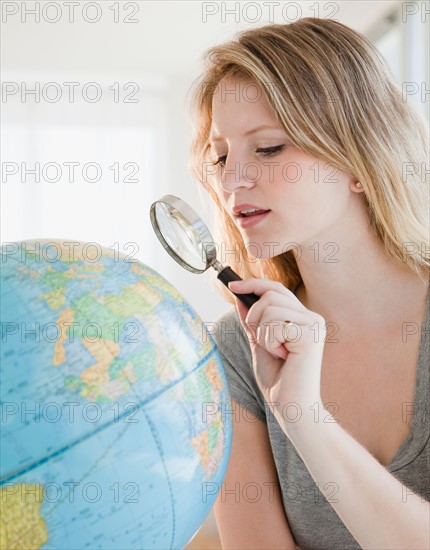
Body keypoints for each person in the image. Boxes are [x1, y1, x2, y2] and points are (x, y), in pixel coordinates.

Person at [187, 17, 429, 550]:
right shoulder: (236, 346)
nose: (231, 180)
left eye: (268, 148)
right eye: (222, 155)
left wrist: (305, 419)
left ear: (360, 159)